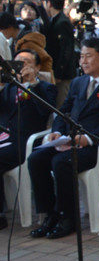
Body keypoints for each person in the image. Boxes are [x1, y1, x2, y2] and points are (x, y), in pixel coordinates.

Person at [28, 38, 99, 239]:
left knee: (61, 163)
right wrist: (57, 132)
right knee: (36, 159)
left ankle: (69, 218)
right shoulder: (78, 82)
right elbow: (63, 111)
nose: (83, 61)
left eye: (88, 56)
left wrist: (87, 139)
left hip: (96, 145)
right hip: (67, 139)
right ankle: (50, 214)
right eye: (81, 56)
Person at [0, 49, 57, 230]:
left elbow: (45, 112)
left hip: (24, 141)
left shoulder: (46, 88)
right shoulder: (9, 86)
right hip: (4, 136)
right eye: (17, 63)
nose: (21, 66)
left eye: (26, 62)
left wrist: (32, 83)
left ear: (37, 67)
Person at [42, 0, 76, 107]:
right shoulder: (55, 20)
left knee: (61, 107)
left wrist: (59, 74)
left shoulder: (62, 22)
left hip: (62, 75)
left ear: (49, 4)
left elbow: (66, 50)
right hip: (55, 72)